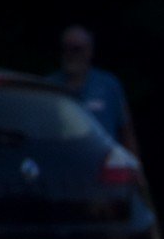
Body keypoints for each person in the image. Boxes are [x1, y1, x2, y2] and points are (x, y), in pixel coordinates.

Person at [50, 25, 139, 157]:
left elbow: (126, 133)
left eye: (76, 49)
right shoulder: (49, 87)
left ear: (89, 51)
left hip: (102, 166)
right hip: (63, 164)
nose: (70, 55)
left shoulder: (109, 86)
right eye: (65, 48)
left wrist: (135, 169)